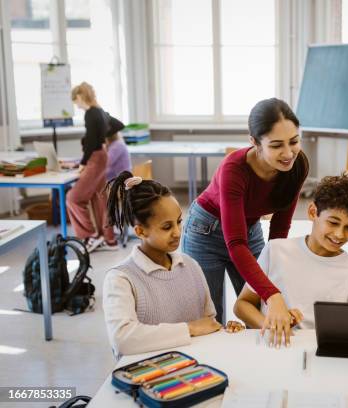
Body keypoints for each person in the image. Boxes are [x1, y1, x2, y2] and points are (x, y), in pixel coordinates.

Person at [182, 98, 309, 346]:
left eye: (294, 141)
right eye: (276, 145)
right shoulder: (234, 169)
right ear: (254, 141)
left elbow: (279, 230)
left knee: (259, 308)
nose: (288, 153)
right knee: (209, 318)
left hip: (248, 230)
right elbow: (235, 242)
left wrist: (273, 286)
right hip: (206, 232)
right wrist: (273, 294)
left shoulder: (297, 164)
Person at [103, 171, 244, 357]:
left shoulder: (191, 266)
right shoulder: (121, 278)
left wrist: (223, 331)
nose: (177, 232)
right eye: (167, 227)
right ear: (140, 231)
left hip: (196, 366)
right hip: (151, 374)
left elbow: (208, 322)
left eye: (179, 222)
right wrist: (189, 329)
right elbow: (122, 340)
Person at [234, 175, 348, 338]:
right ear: (313, 212)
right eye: (333, 223)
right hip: (273, 348)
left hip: (320, 354)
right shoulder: (276, 250)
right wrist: (273, 326)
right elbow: (242, 305)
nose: (339, 234)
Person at [67, 82, 116, 252]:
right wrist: (104, 138)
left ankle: (90, 236)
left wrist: (82, 164)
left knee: (73, 198)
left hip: (95, 157)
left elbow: (90, 143)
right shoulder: (101, 112)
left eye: (76, 101)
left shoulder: (90, 113)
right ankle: (109, 240)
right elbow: (117, 125)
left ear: (80, 97)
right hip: (102, 154)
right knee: (99, 197)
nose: (77, 106)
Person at [105, 115, 132, 181]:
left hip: (120, 182)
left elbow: (104, 163)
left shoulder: (117, 145)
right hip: (112, 179)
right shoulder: (112, 144)